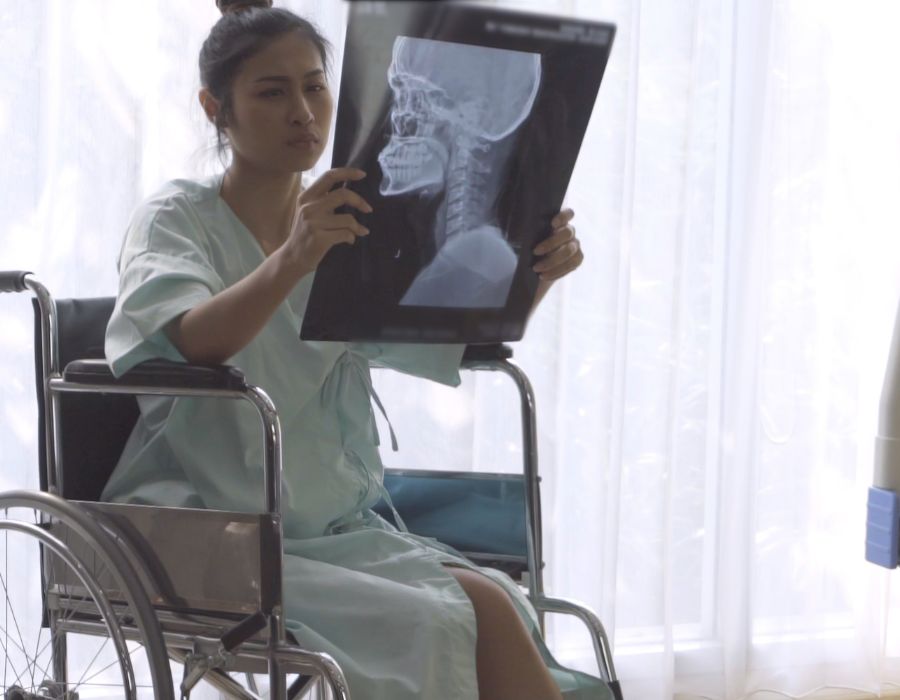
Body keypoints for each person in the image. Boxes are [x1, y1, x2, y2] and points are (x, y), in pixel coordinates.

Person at [103, 2, 603, 699]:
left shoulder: (343, 216)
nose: (303, 111)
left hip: (328, 522)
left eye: (314, 85)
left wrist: (533, 275)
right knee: (434, 621)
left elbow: (445, 340)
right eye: (272, 92)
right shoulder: (178, 218)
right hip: (211, 525)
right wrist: (293, 260)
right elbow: (189, 342)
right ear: (216, 107)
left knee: (495, 600)